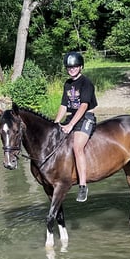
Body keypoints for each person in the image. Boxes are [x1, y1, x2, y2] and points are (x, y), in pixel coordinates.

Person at [54, 51, 98, 202]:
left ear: (80, 67)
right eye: (69, 67)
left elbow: (84, 105)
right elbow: (64, 105)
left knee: (77, 147)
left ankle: (83, 186)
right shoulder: (67, 84)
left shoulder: (86, 83)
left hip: (86, 117)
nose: (71, 69)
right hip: (71, 117)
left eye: (74, 66)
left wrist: (71, 125)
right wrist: (56, 122)